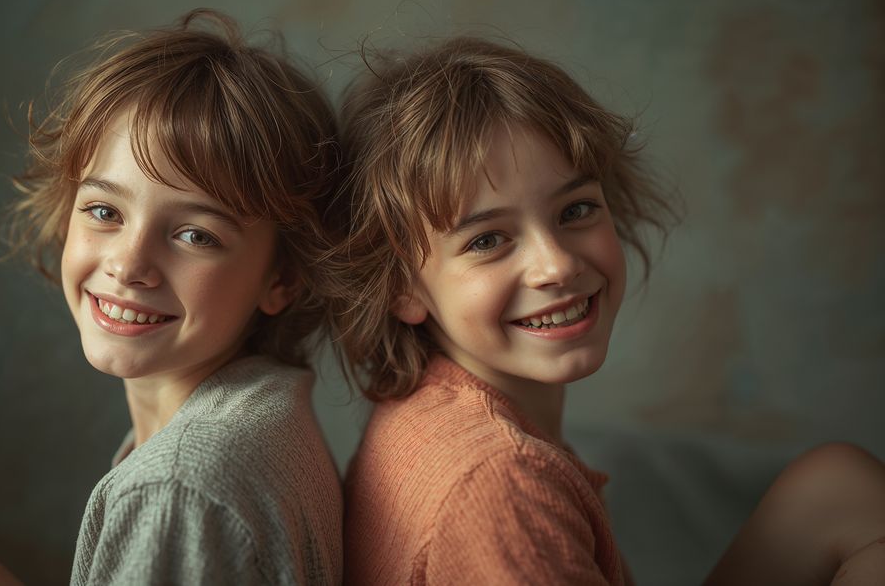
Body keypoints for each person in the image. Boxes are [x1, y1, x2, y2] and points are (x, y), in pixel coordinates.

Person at [0, 9, 343, 586]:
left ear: (283, 278)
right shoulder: (266, 395)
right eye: (105, 211)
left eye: (195, 235)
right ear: (68, 212)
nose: (128, 264)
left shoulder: (178, 489)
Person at [324, 35, 885, 585]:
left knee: (836, 486)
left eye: (576, 210)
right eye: (488, 241)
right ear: (402, 288)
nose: (558, 266)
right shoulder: (500, 482)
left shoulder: (449, 405)